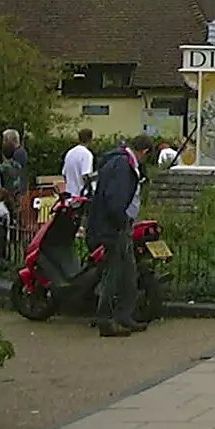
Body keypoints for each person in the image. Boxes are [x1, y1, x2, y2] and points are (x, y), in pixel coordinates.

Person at [88, 133, 153, 336]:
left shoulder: (121, 162)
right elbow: (114, 198)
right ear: (144, 151)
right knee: (114, 273)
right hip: (114, 227)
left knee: (127, 271)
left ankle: (125, 314)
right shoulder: (123, 166)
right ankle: (106, 319)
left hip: (119, 224)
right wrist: (121, 221)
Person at [63, 128, 96, 198]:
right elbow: (85, 175)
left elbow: (64, 174)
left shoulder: (70, 153)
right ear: (90, 139)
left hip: (69, 194)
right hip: (80, 196)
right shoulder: (87, 154)